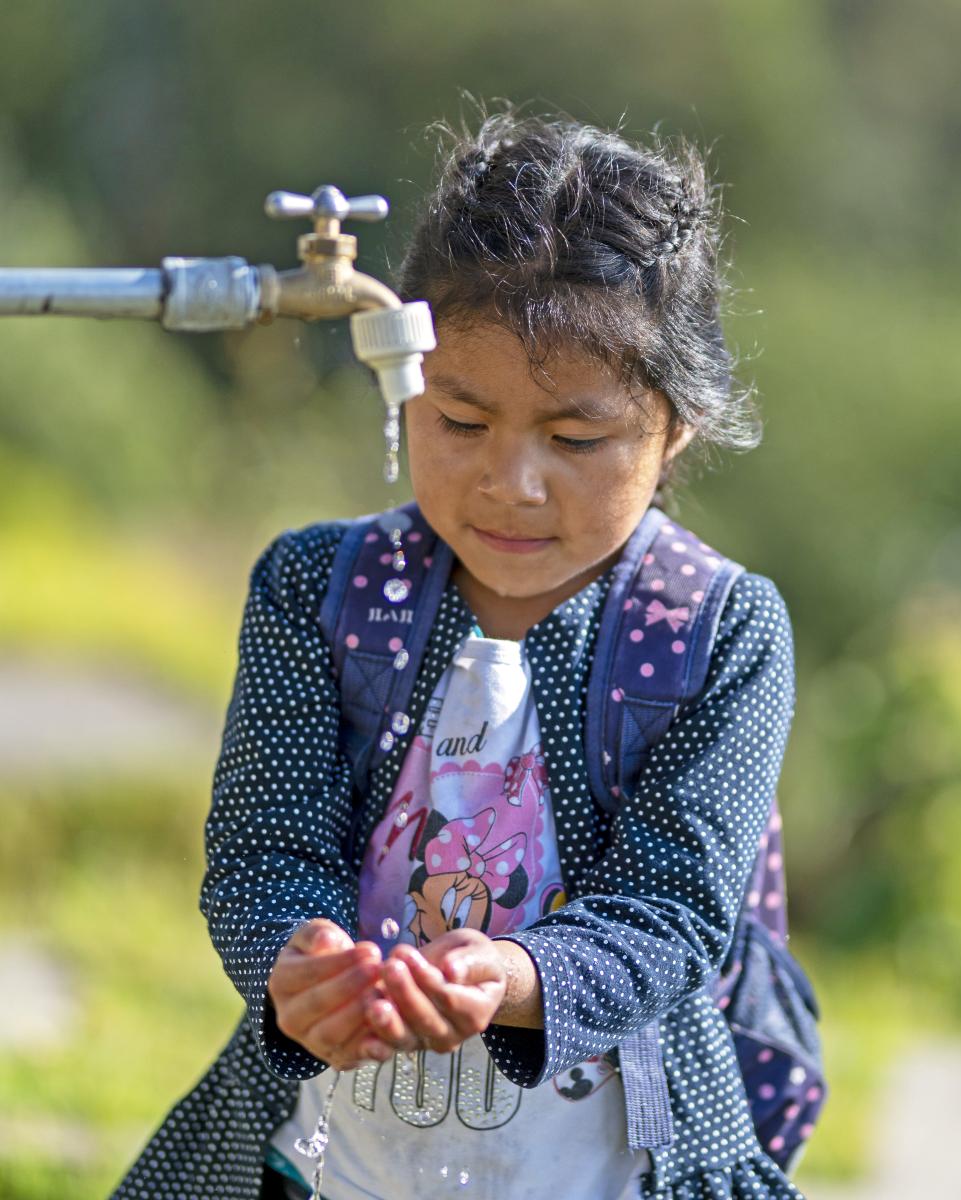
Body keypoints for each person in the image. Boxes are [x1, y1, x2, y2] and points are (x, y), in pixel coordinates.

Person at [114, 110, 801, 1200]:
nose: (511, 483)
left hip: (612, 1165)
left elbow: (674, 912)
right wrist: (298, 963)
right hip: (339, 1155)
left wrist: (520, 976)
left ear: (678, 427)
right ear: (406, 379)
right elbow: (262, 852)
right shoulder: (318, 593)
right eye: (461, 419)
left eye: (576, 440)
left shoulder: (716, 633)